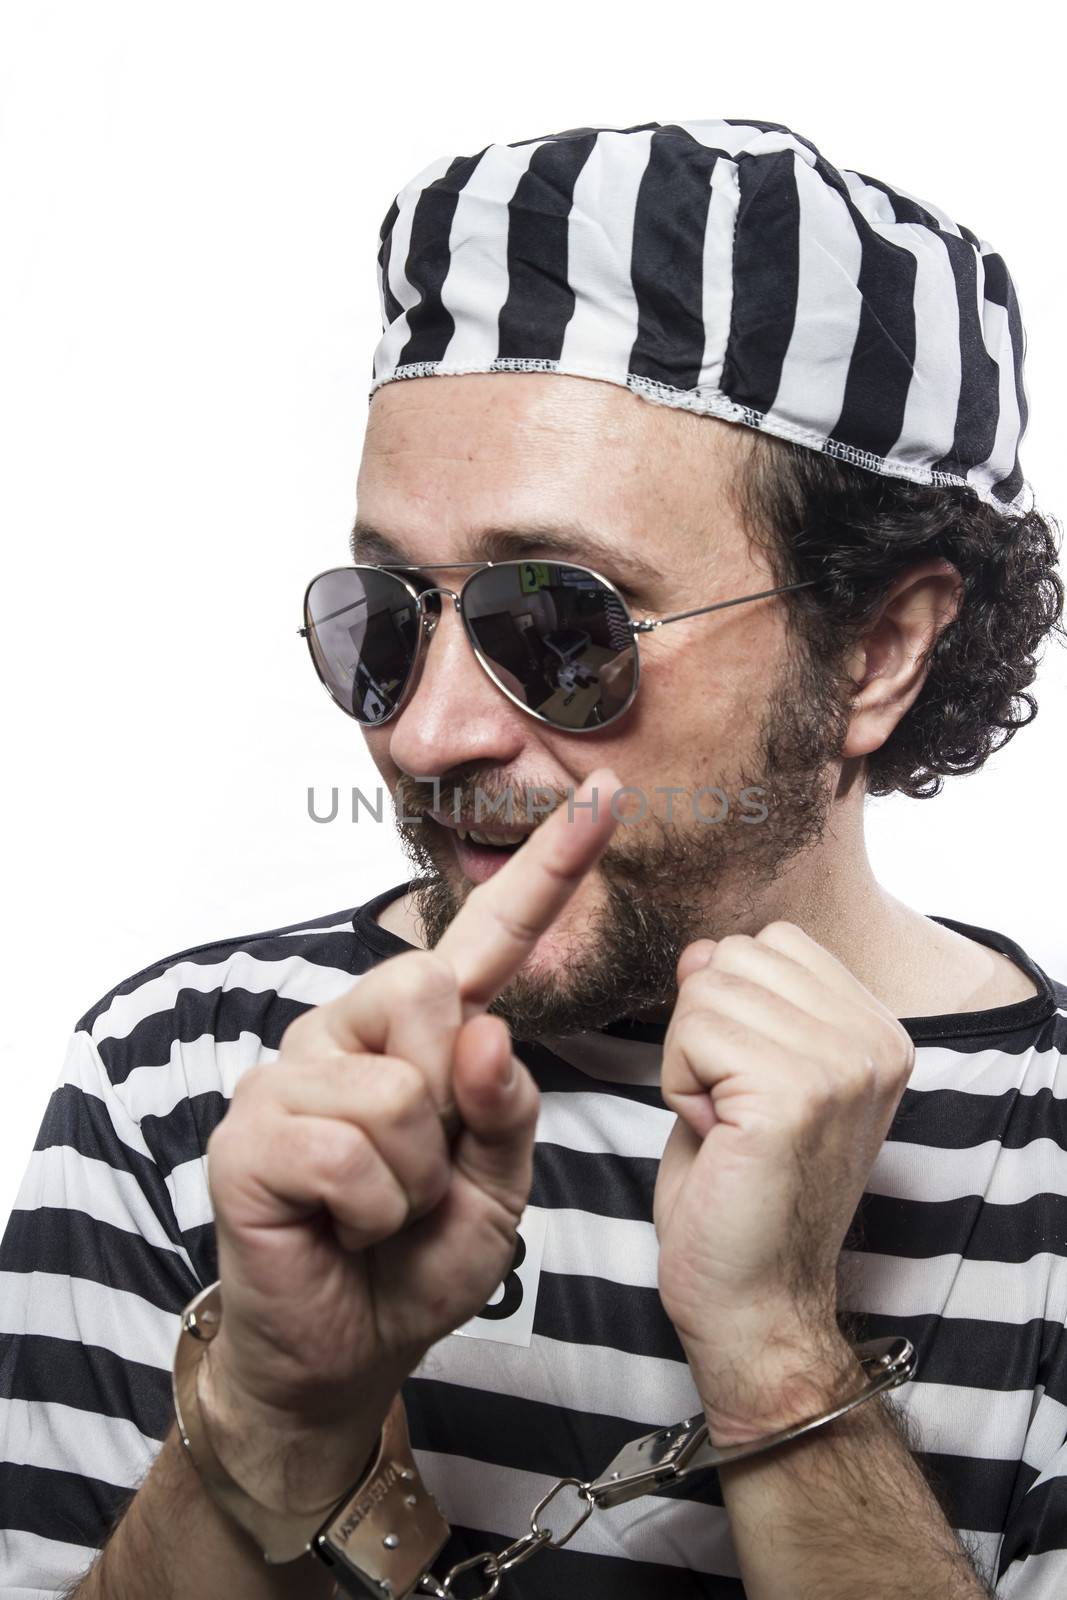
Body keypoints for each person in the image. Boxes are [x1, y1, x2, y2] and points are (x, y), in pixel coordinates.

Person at [1, 115, 1065, 1600]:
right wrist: (265, 1414)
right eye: (384, 616)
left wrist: (775, 1360)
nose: (426, 734)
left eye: (557, 626)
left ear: (879, 650)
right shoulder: (186, 1083)